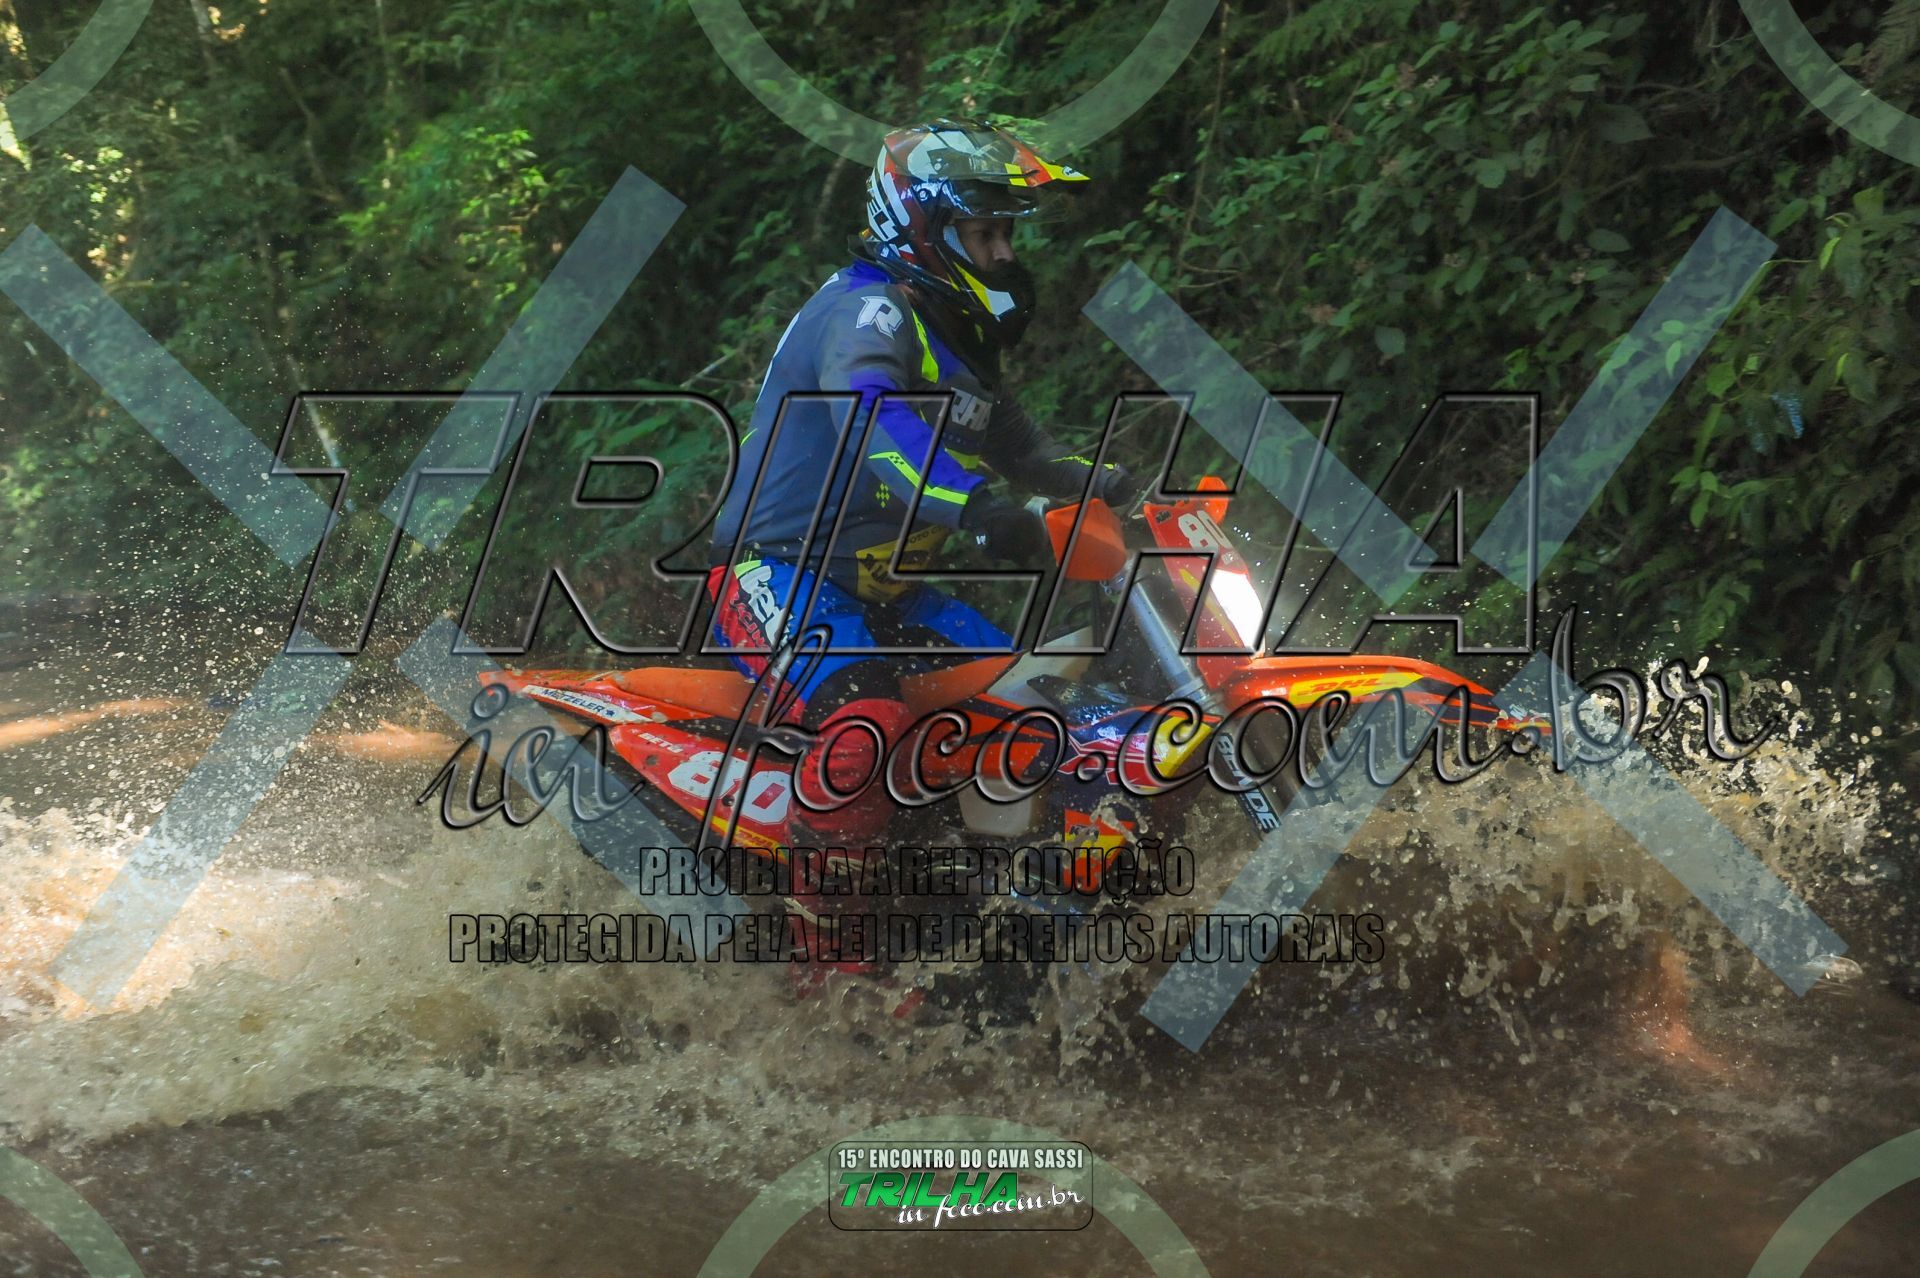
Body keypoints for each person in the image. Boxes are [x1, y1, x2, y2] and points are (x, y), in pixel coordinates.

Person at [704, 118, 1136, 976]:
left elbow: (1029, 451)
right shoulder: (866, 311)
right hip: (777, 574)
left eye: (1007, 233)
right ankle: (827, 959)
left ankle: (983, 924)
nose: (1004, 253)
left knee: (1041, 712)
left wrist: (1123, 488)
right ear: (923, 228)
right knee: (867, 730)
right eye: (985, 233)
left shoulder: (950, 339)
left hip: (889, 597)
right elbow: (876, 423)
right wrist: (979, 509)